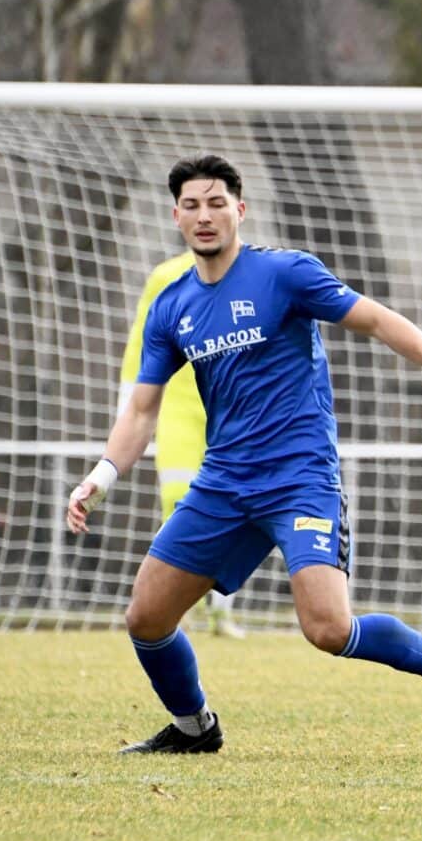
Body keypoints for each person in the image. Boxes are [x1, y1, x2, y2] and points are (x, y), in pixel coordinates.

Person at [65, 154, 422, 755]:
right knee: (146, 617)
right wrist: (101, 477)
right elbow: (141, 412)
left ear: (240, 210)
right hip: (225, 483)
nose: (205, 215)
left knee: (328, 628)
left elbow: (372, 319)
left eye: (217, 203)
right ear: (177, 217)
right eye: (192, 205)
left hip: (300, 478)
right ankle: (195, 728)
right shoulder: (172, 307)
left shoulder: (285, 274)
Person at [120, 249, 247, 640]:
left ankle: (220, 613)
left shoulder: (251, 272)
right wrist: (127, 403)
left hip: (230, 409)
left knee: (236, 508)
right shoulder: (166, 275)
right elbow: (141, 342)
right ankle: (174, 607)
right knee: (179, 501)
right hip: (176, 404)